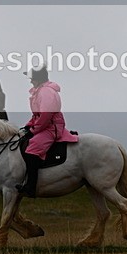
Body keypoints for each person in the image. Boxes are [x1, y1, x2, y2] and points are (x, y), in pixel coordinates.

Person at [17, 65, 78, 197]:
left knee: (32, 149)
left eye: (32, 78)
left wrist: (34, 130)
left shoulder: (46, 92)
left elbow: (45, 115)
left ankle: (31, 187)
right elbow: (37, 115)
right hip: (45, 125)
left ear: (38, 79)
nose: (30, 80)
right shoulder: (39, 91)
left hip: (51, 127)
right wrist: (28, 126)